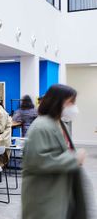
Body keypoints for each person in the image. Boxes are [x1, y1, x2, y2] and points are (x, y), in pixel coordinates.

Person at [22, 84, 93, 218]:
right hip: (44, 193)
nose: (73, 107)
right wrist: (74, 158)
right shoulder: (40, 126)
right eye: (70, 102)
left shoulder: (60, 123)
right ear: (57, 101)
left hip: (59, 190)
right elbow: (37, 161)